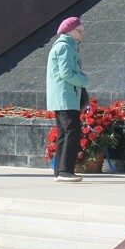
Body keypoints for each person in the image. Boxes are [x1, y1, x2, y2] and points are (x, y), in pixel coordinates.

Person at [46, 17, 89, 182]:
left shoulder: (63, 46)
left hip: (63, 97)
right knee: (72, 131)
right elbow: (67, 74)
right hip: (66, 97)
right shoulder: (66, 48)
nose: (82, 33)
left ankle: (60, 171)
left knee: (64, 134)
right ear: (70, 31)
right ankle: (65, 171)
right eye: (80, 30)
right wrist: (84, 80)